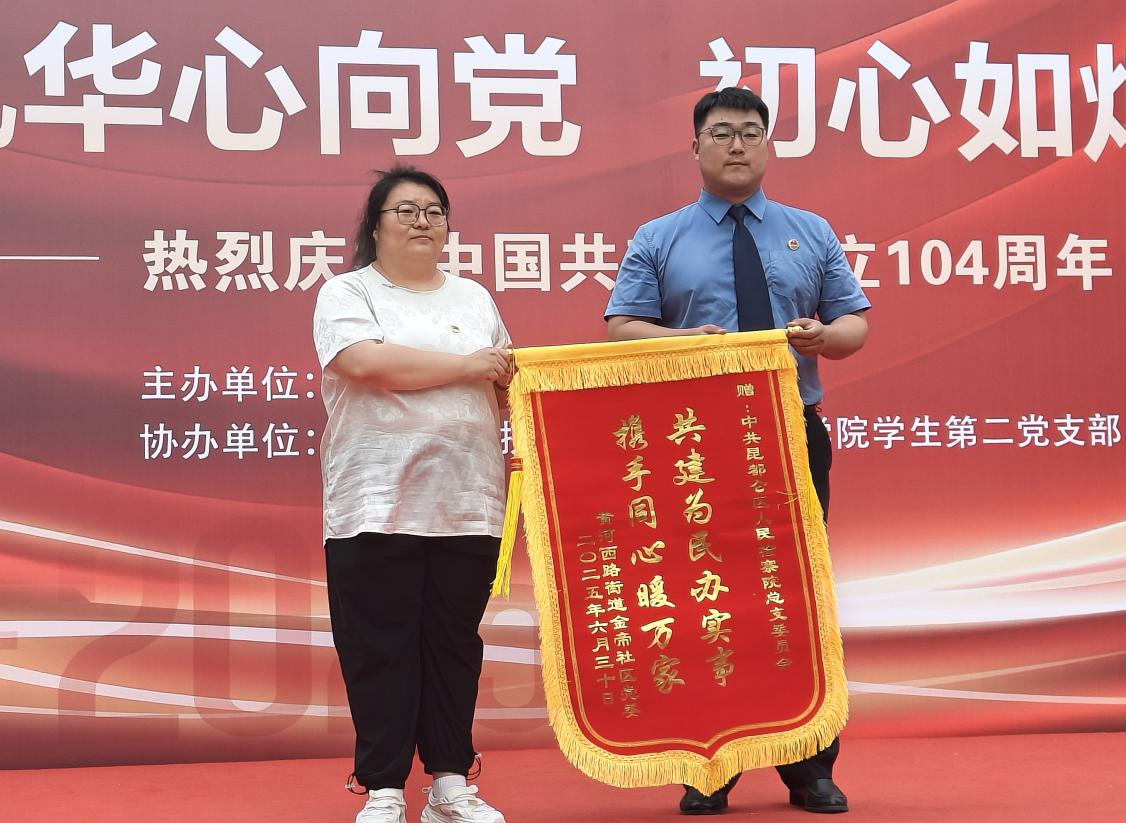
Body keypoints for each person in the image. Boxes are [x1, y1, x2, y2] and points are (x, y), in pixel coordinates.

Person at [604, 87, 870, 815]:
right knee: (705, 593)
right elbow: (622, 327)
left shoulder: (809, 231)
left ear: (768, 145)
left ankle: (810, 763)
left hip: (789, 431)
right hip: (695, 441)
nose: (737, 145)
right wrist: (680, 341)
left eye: (751, 132)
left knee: (799, 594)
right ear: (695, 147)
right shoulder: (659, 237)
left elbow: (854, 325)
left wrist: (824, 337)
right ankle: (710, 762)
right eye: (721, 133)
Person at [312, 165, 512, 823]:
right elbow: (365, 362)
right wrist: (467, 366)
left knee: (453, 646)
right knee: (381, 647)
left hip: (467, 499)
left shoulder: (473, 298)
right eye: (405, 210)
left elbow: (503, 379)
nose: (422, 221)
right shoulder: (348, 291)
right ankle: (384, 789)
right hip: (375, 501)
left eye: (433, 210)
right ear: (375, 226)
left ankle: (450, 785)